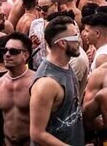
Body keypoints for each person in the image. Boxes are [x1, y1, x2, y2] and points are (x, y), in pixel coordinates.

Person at [29, 16, 85, 146]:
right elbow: (37, 134)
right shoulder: (46, 84)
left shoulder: (65, 64)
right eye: (75, 37)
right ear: (62, 43)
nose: (79, 40)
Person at [0, 33, 34, 146]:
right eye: (5, 50)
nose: (7, 54)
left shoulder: (36, 82)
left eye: (13, 51)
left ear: (25, 55)